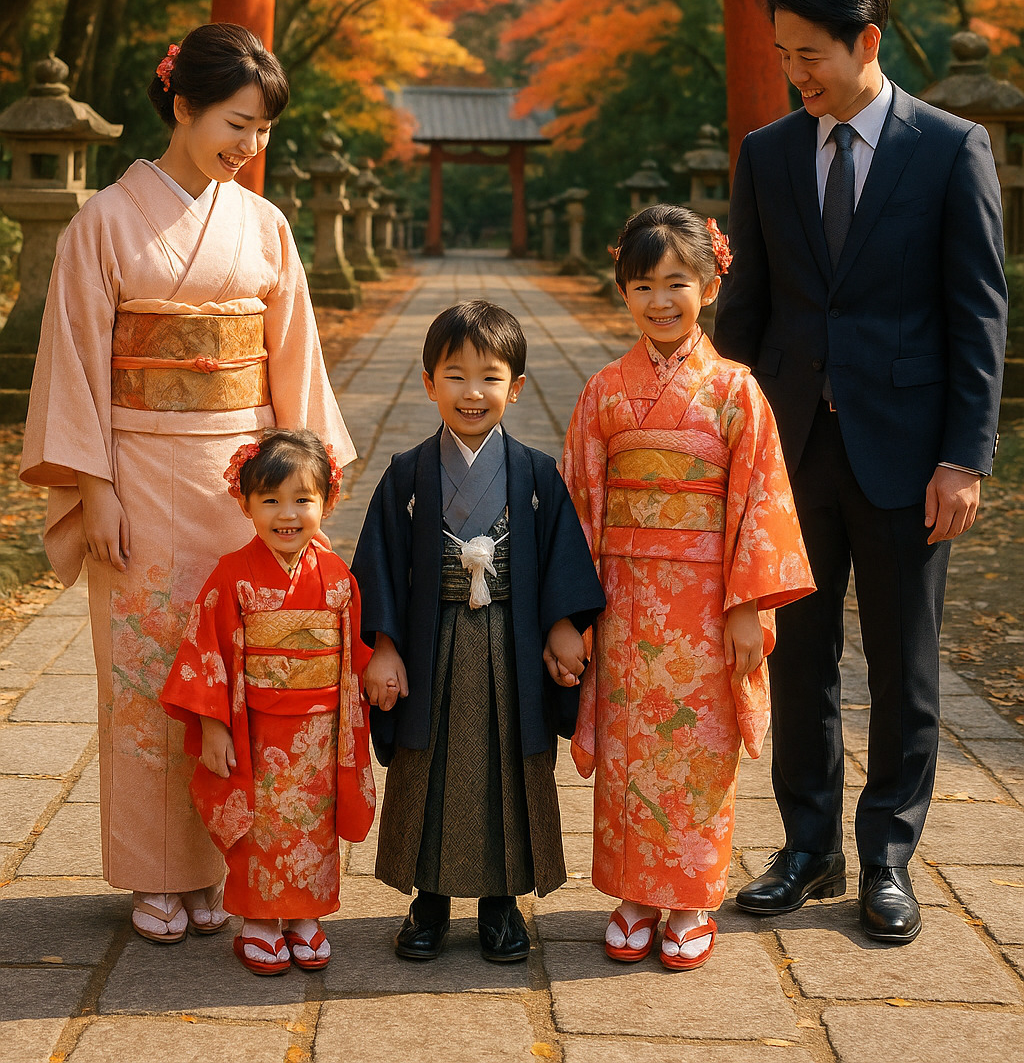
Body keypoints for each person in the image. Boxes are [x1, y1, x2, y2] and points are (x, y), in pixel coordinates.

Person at [20, 24, 356, 945]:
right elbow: (78, 363)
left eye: (261, 132)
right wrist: (95, 492)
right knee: (146, 676)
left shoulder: (266, 226)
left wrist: (304, 493)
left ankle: (229, 865)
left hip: (244, 479)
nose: (248, 147)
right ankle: (156, 873)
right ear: (182, 106)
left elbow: (292, 366)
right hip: (134, 468)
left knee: (247, 677)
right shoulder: (103, 221)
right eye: (235, 123)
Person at [714, 0, 1007, 943]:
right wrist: (719, 437)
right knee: (797, 660)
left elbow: (977, 319)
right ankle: (807, 848)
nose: (797, 72)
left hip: (908, 452)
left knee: (903, 663)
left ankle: (886, 855)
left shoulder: (949, 147)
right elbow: (746, 309)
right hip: (789, 452)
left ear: (866, 42)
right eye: (786, 55)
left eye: (812, 55)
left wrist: (963, 458)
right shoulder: (768, 154)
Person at [562, 206, 815, 971]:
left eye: (678, 282)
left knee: (700, 752)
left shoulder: (737, 391)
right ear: (623, 293)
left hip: (706, 604)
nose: (661, 300)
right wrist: (574, 615)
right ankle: (634, 894)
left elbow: (761, 503)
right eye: (643, 285)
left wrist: (746, 608)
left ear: (709, 285)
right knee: (632, 749)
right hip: (625, 599)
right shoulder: (605, 391)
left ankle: (693, 895)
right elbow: (579, 506)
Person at [351, 300, 605, 964]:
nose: (472, 392)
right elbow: (376, 565)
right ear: (428, 381)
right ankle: (428, 903)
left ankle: (500, 904)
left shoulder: (537, 475)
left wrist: (562, 627)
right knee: (427, 768)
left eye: (489, 377)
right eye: (454, 375)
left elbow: (560, 560)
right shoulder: (407, 474)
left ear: (516, 387)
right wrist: (381, 648)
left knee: (507, 770)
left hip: (511, 645)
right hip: (429, 641)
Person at [161, 429, 375, 975]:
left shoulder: (336, 578)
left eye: (303, 500)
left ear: (327, 502)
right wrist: (213, 727)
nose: (288, 513)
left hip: (320, 731)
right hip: (255, 728)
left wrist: (379, 673)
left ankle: (307, 917)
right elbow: (205, 653)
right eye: (271, 500)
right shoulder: (232, 575)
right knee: (258, 823)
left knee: (314, 824)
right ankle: (258, 921)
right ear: (246, 503)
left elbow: (355, 650)